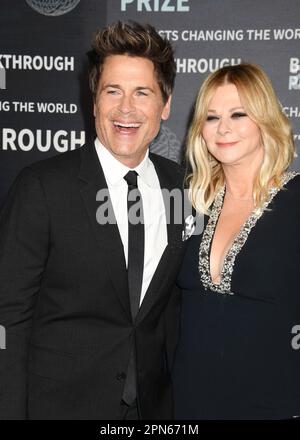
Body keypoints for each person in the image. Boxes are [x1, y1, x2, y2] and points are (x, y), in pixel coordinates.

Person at [0, 21, 186, 420]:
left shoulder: (184, 188)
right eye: (113, 91)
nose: (126, 109)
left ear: (165, 104)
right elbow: (8, 318)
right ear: (94, 100)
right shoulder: (42, 187)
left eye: (143, 93)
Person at [173, 63, 300, 419]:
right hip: (189, 403)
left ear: (264, 119)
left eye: (238, 114)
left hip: (275, 404)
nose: (223, 128)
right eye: (211, 117)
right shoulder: (192, 200)